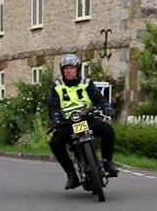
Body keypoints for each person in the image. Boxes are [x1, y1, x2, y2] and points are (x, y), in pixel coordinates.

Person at [47, 53, 118, 190]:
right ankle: (71, 175)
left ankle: (107, 162)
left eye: (72, 68)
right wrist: (56, 117)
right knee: (55, 143)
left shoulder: (86, 83)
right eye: (66, 68)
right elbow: (53, 105)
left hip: (86, 118)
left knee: (107, 130)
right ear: (62, 71)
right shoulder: (57, 86)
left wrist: (107, 108)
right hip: (68, 123)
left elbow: (99, 98)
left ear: (77, 70)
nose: (69, 71)